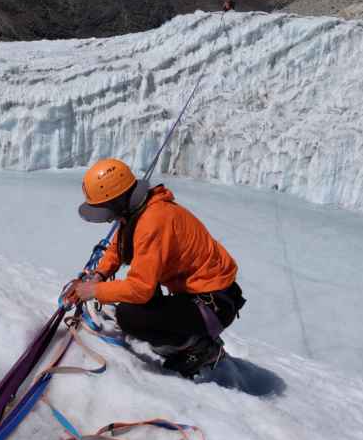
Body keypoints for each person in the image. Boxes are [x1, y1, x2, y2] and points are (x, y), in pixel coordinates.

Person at [63, 158, 245, 378]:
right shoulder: (139, 210)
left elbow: (140, 289)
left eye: (106, 210)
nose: (107, 218)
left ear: (118, 202)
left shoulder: (152, 222)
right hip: (205, 297)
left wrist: (93, 291)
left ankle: (200, 348)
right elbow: (119, 246)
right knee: (136, 304)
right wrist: (99, 274)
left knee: (130, 316)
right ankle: (190, 333)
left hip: (212, 304)